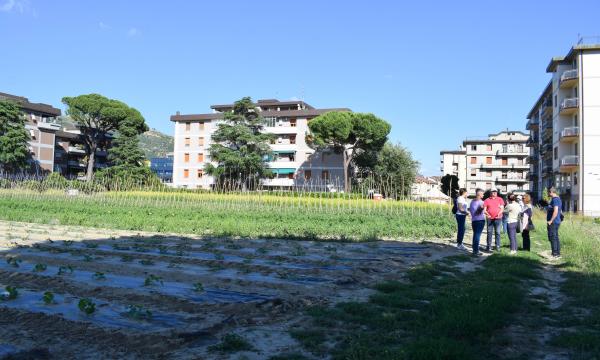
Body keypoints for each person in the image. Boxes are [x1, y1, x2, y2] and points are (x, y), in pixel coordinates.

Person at [468, 188, 486, 256]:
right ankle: (476, 251)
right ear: (479, 194)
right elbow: (477, 212)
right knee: (477, 236)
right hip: (479, 221)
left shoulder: (472, 201)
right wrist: (481, 208)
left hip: (474, 221)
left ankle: (475, 249)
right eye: (482, 194)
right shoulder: (481, 202)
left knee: (475, 235)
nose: (483, 195)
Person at [547, 187, 562, 258]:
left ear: (551, 192)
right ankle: (557, 253)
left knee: (552, 237)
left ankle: (555, 254)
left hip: (554, 222)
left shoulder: (555, 200)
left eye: (548, 192)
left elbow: (556, 211)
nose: (547, 193)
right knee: (555, 237)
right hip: (556, 221)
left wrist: (551, 220)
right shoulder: (555, 199)